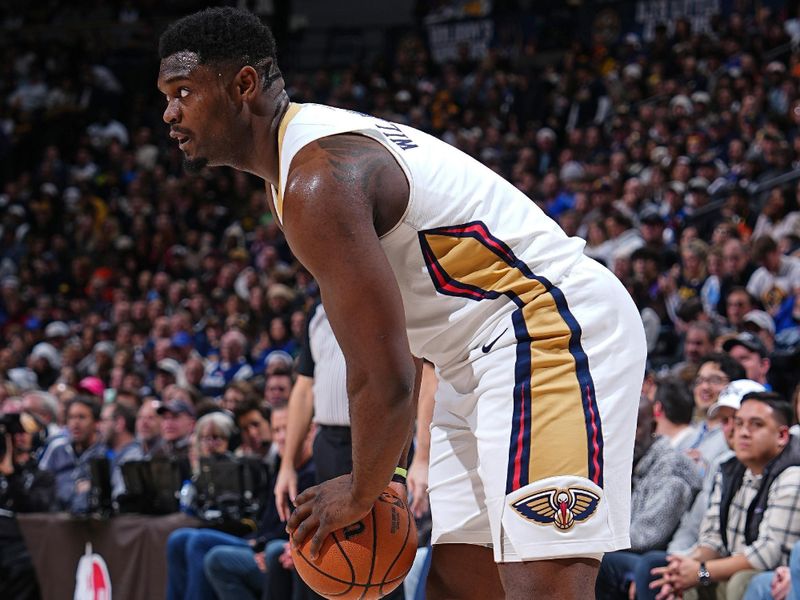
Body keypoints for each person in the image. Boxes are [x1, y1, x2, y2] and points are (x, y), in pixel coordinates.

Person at [157, 9, 647, 597]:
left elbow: (380, 371)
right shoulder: (298, 165)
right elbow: (391, 353)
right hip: (475, 356)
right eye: (166, 96)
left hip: (547, 328)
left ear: (243, 85)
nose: (169, 113)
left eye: (183, 92)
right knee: (459, 585)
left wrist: (364, 489)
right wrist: (383, 475)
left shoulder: (319, 176)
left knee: (540, 580)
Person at [651, 392, 800, 600]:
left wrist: (701, 571)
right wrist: (684, 568)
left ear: (782, 436)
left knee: (741, 581)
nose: (743, 433)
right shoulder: (730, 469)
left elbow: (768, 554)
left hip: (771, 574)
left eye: (756, 424)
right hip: (731, 567)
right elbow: (713, 539)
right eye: (738, 424)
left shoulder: (793, 476)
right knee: (667, 573)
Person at [38, 396, 107, 512]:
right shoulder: (57, 448)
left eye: (82, 417)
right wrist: (72, 489)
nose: (75, 423)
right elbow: (39, 484)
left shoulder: (105, 453)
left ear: (96, 423)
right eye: (71, 417)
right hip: (55, 516)